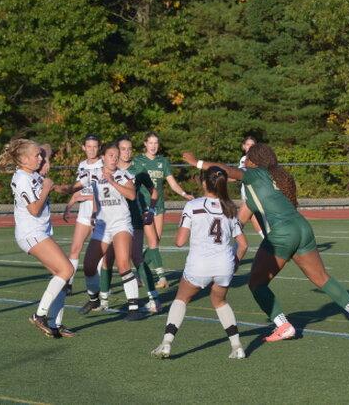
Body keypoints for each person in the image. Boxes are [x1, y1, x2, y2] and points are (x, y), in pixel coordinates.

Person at [182, 143, 349, 341]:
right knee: (322, 278)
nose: (244, 164)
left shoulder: (256, 174)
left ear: (254, 162)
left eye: (247, 160)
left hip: (283, 234)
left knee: (256, 283)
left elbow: (227, 171)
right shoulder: (270, 181)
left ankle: (283, 325)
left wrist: (197, 163)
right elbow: (238, 221)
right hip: (302, 228)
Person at [151, 166, 248, 359]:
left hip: (199, 265)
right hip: (224, 264)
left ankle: (166, 343)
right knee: (219, 301)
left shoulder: (193, 205)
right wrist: (234, 264)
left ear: (204, 183)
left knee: (181, 299)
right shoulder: (230, 208)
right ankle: (237, 346)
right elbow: (243, 245)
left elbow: (180, 242)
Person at [0, 139, 77, 338]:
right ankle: (39, 315)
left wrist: (85, 183)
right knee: (67, 270)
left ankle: (56, 325)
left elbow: (59, 186)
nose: (40, 159)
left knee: (62, 277)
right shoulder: (22, 178)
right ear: (24, 159)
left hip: (39, 232)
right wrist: (47, 187)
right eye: (36, 156)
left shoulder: (32, 175)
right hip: (31, 233)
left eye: (41, 156)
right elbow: (34, 209)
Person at [55, 143, 146, 321]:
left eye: (116, 156)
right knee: (89, 265)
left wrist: (112, 181)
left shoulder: (123, 175)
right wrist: (52, 187)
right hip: (103, 226)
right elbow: (73, 188)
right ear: (103, 157)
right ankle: (94, 299)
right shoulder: (92, 174)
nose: (114, 158)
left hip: (120, 224)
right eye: (111, 155)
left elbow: (131, 195)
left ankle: (134, 308)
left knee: (123, 264)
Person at [95, 136, 161, 314]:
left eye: (129, 149)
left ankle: (154, 299)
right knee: (108, 259)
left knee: (136, 257)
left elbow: (154, 192)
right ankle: (104, 300)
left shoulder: (138, 169)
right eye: (123, 149)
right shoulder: (106, 169)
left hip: (133, 219)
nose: (126, 152)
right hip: (112, 221)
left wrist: (151, 210)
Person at [132, 132, 194, 289]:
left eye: (156, 143)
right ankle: (161, 277)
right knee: (153, 241)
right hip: (144, 206)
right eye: (151, 143)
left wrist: (184, 194)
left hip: (158, 206)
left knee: (156, 242)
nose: (153, 146)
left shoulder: (162, 162)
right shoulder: (138, 161)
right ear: (145, 144)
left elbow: (172, 183)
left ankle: (139, 272)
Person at [63, 134, 102, 295]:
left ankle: (100, 286)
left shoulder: (103, 165)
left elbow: (103, 193)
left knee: (98, 252)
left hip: (98, 214)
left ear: (99, 148)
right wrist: (69, 204)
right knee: (75, 249)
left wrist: (85, 197)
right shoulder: (82, 165)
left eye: (95, 146)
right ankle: (68, 284)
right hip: (84, 214)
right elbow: (79, 189)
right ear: (83, 148)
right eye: (89, 146)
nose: (92, 150)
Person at [237, 136, 263, 238]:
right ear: (243, 146)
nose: (250, 147)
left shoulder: (248, 159)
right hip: (251, 196)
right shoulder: (246, 159)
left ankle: (237, 248)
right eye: (248, 144)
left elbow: (239, 175)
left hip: (252, 197)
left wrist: (220, 177)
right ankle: (271, 242)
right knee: (256, 222)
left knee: (237, 226)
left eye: (252, 145)